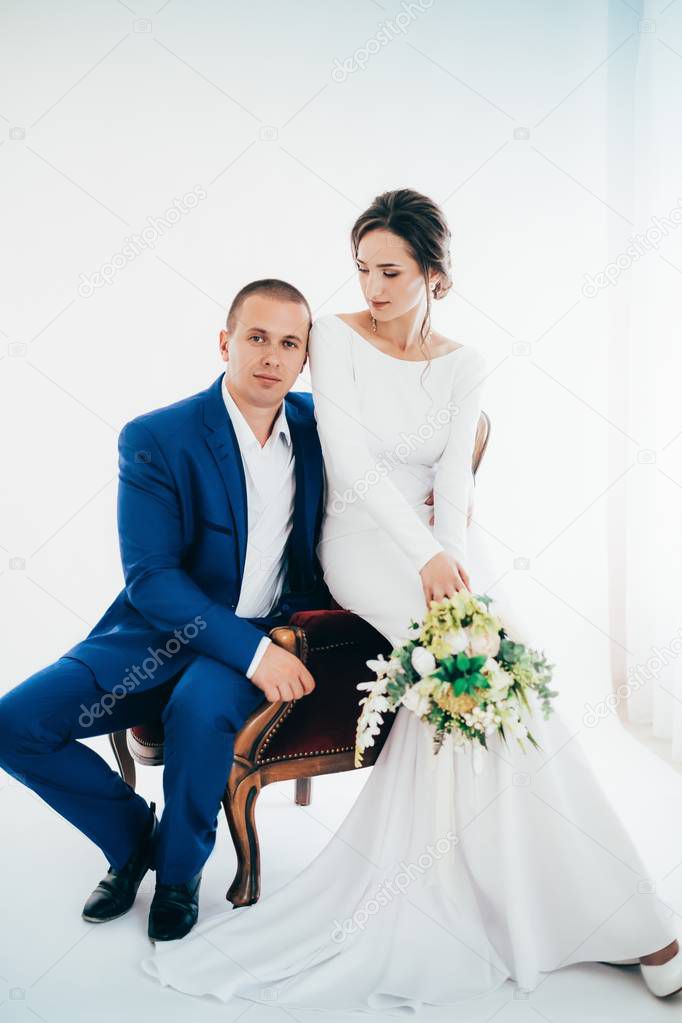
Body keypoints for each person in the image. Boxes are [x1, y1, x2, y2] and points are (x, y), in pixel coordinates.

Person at [139, 190, 682, 1009]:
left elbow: (454, 477)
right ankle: (636, 922)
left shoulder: (465, 362)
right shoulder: (338, 338)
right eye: (362, 269)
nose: (374, 288)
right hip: (362, 543)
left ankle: (547, 899)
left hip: (444, 546)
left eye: (391, 271)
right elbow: (351, 465)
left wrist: (455, 568)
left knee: (505, 690)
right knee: (476, 671)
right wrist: (427, 560)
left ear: (435, 273)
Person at [0, 279, 330, 942]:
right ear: (225, 343)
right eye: (257, 337)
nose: (271, 355)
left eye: (288, 343)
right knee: (15, 722)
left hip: (260, 626)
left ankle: (178, 876)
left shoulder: (322, 428)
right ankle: (134, 842)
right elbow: (151, 579)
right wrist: (255, 655)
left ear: (303, 359)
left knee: (199, 709)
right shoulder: (157, 435)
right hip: (155, 633)